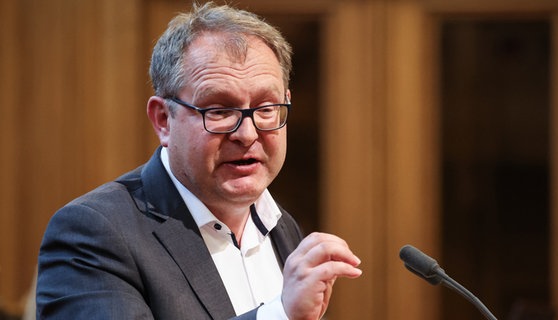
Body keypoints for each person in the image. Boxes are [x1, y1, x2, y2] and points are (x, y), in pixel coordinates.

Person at [36, 2, 362, 319]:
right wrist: (279, 315)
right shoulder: (95, 232)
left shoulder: (282, 226)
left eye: (265, 109)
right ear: (163, 119)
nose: (247, 134)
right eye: (219, 111)